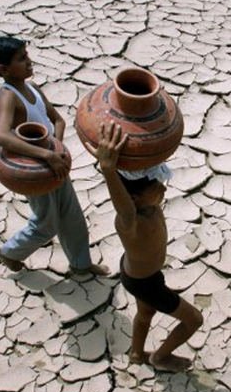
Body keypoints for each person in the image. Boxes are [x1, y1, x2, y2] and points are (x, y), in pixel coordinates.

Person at [0, 36, 109, 276]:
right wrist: (46, 155)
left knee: (73, 218)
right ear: (3, 69)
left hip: (54, 164)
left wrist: (57, 149)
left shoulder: (32, 88)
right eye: (22, 59)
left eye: (27, 55)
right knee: (46, 223)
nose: (29, 62)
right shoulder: (8, 96)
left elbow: (57, 120)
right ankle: (11, 252)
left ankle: (81, 265)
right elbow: (2, 136)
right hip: (34, 172)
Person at [84, 122, 203, 372]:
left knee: (145, 314)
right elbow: (122, 204)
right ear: (134, 198)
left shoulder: (148, 205)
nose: (163, 187)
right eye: (156, 186)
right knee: (193, 319)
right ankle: (160, 357)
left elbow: (148, 164)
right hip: (145, 282)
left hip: (137, 275)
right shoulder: (131, 220)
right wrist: (108, 169)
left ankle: (136, 354)